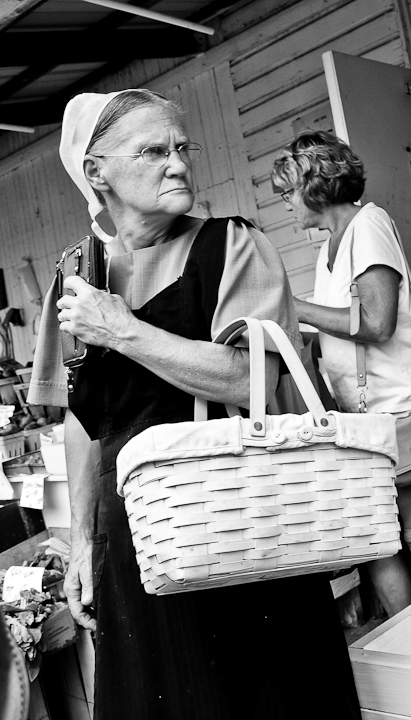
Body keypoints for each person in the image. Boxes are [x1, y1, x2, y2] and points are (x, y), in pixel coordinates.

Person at [27, 90, 361, 720]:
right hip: (138, 539)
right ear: (96, 172)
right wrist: (81, 546)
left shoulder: (231, 244)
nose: (177, 163)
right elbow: (82, 419)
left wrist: (122, 330)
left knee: (268, 694)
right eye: (153, 151)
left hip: (242, 516)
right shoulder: (77, 277)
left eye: (182, 147)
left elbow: (247, 378)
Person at [271, 130, 411, 616]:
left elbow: (377, 322)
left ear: (315, 184)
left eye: (288, 192)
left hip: (396, 407)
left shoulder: (368, 224)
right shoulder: (329, 245)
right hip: (361, 416)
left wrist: (296, 309)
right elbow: (337, 328)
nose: (285, 204)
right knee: (378, 541)